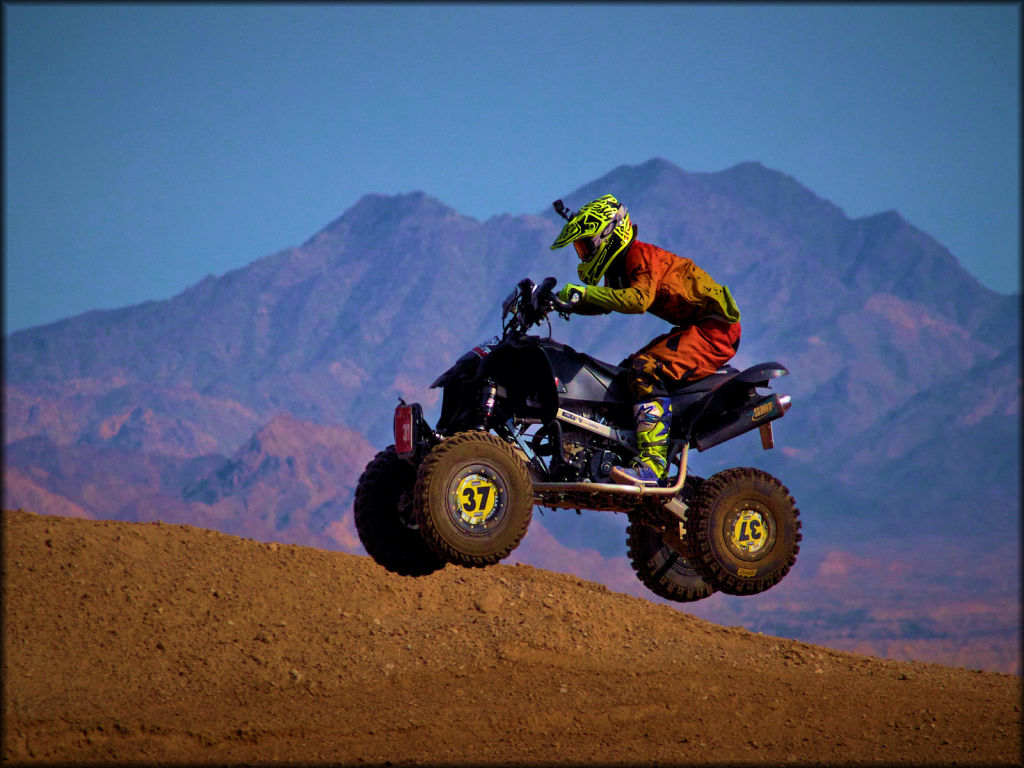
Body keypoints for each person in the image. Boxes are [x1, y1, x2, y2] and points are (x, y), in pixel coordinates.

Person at [551, 194, 741, 486]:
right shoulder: (620, 267)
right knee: (625, 373)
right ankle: (622, 451)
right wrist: (558, 303)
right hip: (698, 327)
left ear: (608, 234)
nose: (583, 255)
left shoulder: (637, 254)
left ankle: (652, 465)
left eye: (586, 246)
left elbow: (638, 300)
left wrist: (583, 293)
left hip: (716, 329)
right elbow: (606, 303)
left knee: (644, 369)